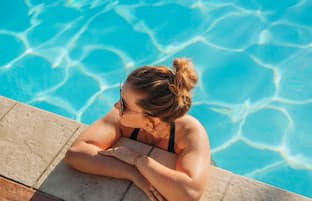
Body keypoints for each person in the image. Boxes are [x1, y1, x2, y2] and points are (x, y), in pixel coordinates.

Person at [64, 58, 211, 201]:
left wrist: (138, 159)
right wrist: (133, 173)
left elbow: (188, 194)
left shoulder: (190, 132)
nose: (116, 105)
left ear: (151, 119)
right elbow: (76, 154)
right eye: (120, 97)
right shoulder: (120, 117)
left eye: (124, 104)